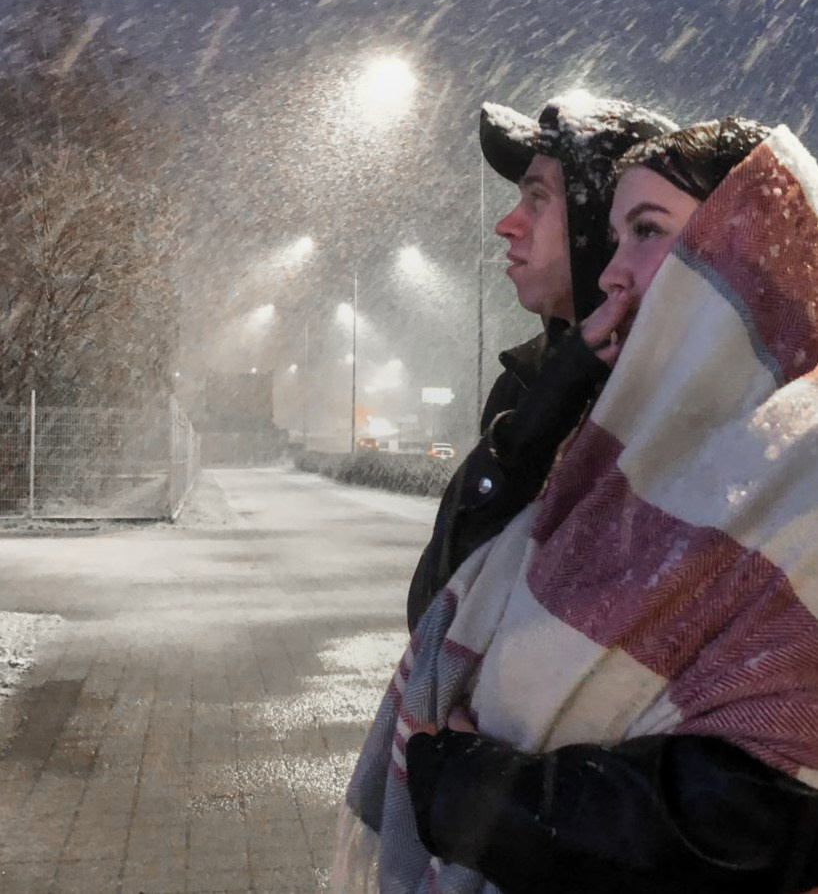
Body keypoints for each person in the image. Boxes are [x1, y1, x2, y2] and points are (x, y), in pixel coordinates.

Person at [334, 117, 818, 893]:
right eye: (616, 233)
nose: (611, 272)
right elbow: (452, 603)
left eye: (648, 230)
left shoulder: (793, 471)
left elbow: (764, 812)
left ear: (750, 251)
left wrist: (492, 799)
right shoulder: (628, 458)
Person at [406, 91, 678, 631]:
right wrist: (549, 403)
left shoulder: (684, 395)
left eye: (536, 200)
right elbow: (439, 610)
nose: (507, 224)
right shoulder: (528, 386)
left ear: (598, 220)